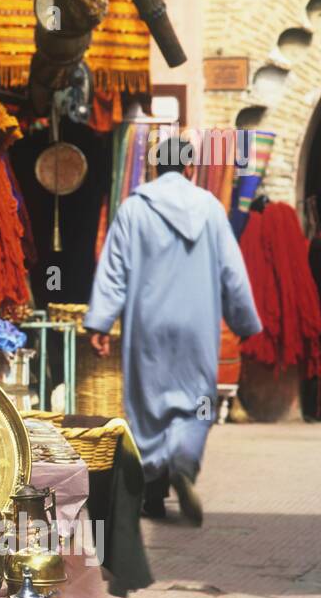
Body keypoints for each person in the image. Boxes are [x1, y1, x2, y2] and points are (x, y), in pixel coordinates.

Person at [85, 135, 262, 525]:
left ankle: (153, 489)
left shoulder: (133, 209)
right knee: (196, 399)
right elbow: (232, 271)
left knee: (148, 405)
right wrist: (245, 321)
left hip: (147, 323)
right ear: (189, 168)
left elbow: (114, 271)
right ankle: (183, 460)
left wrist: (99, 321)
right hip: (197, 323)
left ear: (153, 167)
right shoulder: (212, 210)